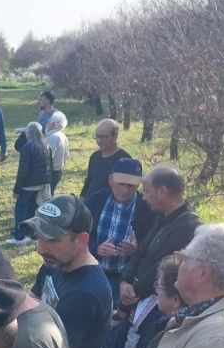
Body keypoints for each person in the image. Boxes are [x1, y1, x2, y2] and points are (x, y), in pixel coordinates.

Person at [24, 195, 113, 348]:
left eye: (52, 239)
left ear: (81, 240)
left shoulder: (86, 294)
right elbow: (33, 297)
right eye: (40, 237)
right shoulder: (57, 261)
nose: (41, 248)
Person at [119, 165, 202, 309]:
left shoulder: (188, 227)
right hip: (136, 296)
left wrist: (134, 292)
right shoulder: (161, 215)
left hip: (158, 304)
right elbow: (141, 250)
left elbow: (163, 266)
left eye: (146, 192)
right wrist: (125, 281)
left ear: (162, 191)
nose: (144, 197)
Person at [85, 158, 155, 293]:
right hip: (93, 271)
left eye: (131, 186)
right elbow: (76, 236)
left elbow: (153, 251)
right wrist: (96, 248)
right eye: (121, 184)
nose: (125, 190)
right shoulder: (96, 201)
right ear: (111, 180)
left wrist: (135, 252)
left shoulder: (147, 209)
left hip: (125, 280)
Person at [7, 122, 52, 246]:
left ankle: (19, 237)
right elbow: (50, 166)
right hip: (42, 183)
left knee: (20, 211)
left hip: (28, 185)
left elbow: (23, 171)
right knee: (33, 210)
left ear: (29, 134)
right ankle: (32, 235)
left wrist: (16, 189)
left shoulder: (28, 148)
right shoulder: (46, 145)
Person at [80, 119, 132, 198]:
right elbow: (89, 181)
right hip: (89, 204)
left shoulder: (125, 160)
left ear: (115, 136)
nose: (99, 140)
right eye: (97, 136)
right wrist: (82, 198)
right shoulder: (95, 156)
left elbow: (126, 191)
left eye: (104, 137)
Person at [44, 111, 70, 192]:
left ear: (53, 124)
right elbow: (67, 155)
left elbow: (47, 156)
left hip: (51, 172)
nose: (47, 123)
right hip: (58, 171)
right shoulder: (63, 136)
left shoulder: (53, 137)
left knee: (45, 196)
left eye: (49, 121)